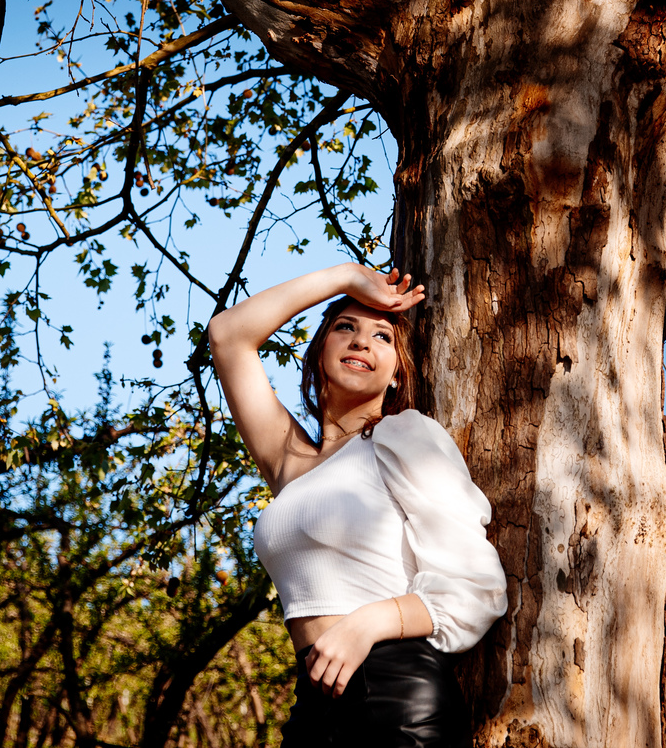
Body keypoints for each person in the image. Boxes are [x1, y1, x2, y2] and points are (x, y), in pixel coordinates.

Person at [207, 260, 507, 746]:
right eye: (345, 328)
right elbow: (227, 335)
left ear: (395, 375)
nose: (362, 341)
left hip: (396, 692)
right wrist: (346, 276)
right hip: (314, 700)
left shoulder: (404, 435)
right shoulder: (290, 461)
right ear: (319, 350)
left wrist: (366, 624)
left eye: (382, 337)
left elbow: (477, 586)